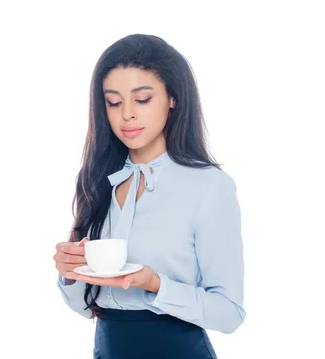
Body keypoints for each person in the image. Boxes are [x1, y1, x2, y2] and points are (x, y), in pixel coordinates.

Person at [54, 34, 245, 358]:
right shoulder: (99, 180)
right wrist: (70, 274)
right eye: (114, 102)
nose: (127, 113)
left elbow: (229, 313)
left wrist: (155, 285)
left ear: (173, 98)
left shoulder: (210, 186)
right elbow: (86, 308)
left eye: (142, 99)